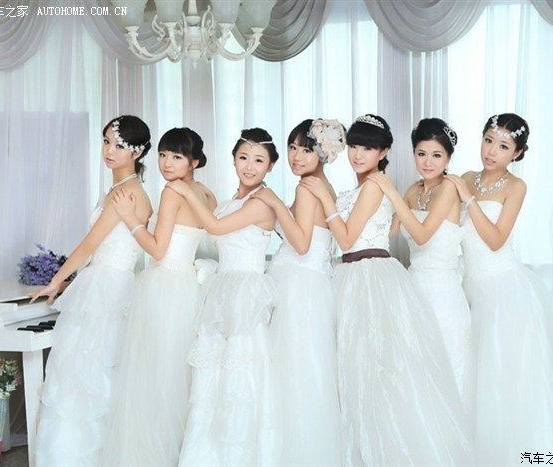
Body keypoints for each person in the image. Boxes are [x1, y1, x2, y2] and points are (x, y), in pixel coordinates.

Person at [300, 114, 471, 466]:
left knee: (373, 372)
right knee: (362, 372)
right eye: (354, 146)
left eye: (368, 148)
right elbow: (388, 231)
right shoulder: (376, 189)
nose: (358, 154)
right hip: (357, 274)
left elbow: (347, 238)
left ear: (384, 152)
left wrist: (329, 202)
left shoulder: (377, 186)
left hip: (369, 278)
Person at [445, 113, 553, 464]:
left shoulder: (515, 187)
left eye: (503, 146)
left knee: (507, 379)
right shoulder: (466, 178)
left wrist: (469, 200)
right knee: (475, 378)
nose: (492, 151)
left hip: (505, 292)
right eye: (488, 140)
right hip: (469, 290)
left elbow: (496, 239)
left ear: (516, 153)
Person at [31, 115, 152, 466]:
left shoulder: (127, 193)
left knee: (88, 374)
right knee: (83, 372)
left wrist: (56, 280)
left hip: (107, 289)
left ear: (138, 152)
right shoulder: (121, 188)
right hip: (101, 282)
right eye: (106, 141)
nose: (109, 150)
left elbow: (89, 245)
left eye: (120, 145)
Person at [102, 127, 215, 466]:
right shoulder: (205, 194)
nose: (166, 163)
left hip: (163, 285)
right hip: (188, 287)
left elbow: (157, 249)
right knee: (176, 373)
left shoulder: (171, 192)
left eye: (177, 157)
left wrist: (131, 219)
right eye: (163, 155)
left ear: (194, 161)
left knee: (153, 374)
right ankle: (176, 450)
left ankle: (151, 453)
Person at [173, 128, 279, 466]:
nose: (249, 166)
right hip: (222, 289)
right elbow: (218, 224)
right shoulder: (231, 202)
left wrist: (186, 191)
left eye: (258, 160)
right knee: (213, 375)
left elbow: (216, 228)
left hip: (246, 292)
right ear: (233, 160)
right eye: (243, 157)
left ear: (271, 166)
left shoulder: (262, 202)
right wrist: (203, 195)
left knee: (240, 373)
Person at [251, 119, 344, 465]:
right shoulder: (321, 185)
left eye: (306, 150)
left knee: (293, 372)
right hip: (312, 284)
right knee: (308, 371)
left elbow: (302, 243)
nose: (296, 156)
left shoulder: (308, 187)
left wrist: (275, 203)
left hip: (300, 286)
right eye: (292, 148)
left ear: (322, 154)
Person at [368, 117, 472, 409]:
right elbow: (389, 232)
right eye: (421, 153)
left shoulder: (449, 188)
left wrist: (392, 193)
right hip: (413, 288)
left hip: (442, 292)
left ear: (448, 158)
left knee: (445, 367)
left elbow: (423, 235)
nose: (428, 162)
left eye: (437, 155)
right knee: (414, 369)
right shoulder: (413, 191)